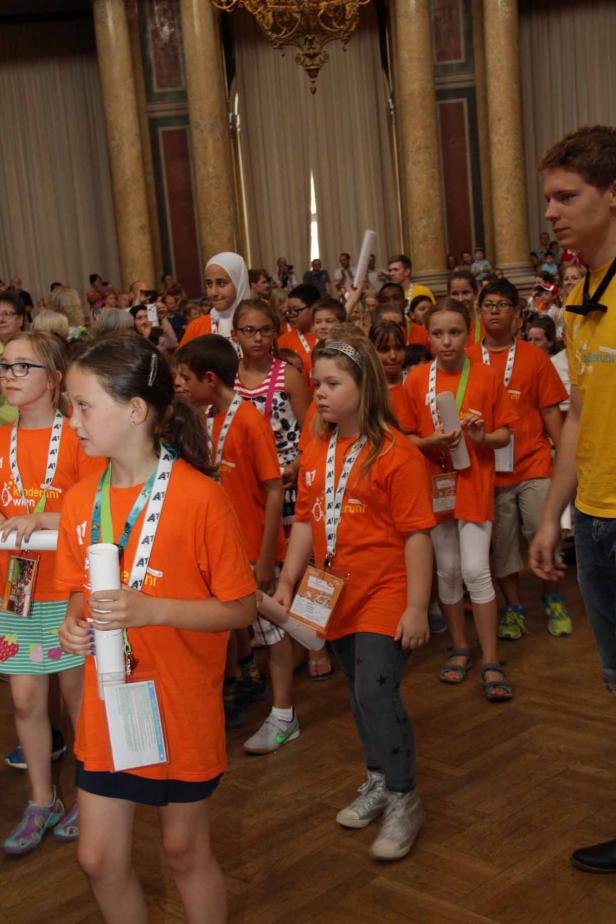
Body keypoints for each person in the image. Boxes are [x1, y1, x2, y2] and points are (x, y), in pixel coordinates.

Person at [55, 333, 256, 922]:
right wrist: (74, 625)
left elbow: (240, 609)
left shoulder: (200, 499)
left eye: (85, 405)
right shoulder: (78, 501)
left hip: (177, 707)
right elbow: (76, 595)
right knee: (96, 857)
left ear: (136, 409)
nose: (74, 421)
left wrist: (153, 609)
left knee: (183, 849)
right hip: (106, 706)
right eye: (70, 405)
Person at [274, 327, 435, 860]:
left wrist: (415, 606)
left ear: (364, 386)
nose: (318, 392)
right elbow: (304, 520)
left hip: (386, 591)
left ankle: (405, 797)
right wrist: (287, 580)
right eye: (316, 382)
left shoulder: (397, 454)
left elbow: (416, 535)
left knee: (375, 692)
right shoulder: (318, 446)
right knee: (358, 693)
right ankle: (379, 779)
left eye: (331, 383)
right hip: (333, 591)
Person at [528, 126, 616, 874]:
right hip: (596, 519)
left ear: (613, 194)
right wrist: (554, 515)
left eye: (567, 196)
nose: (551, 212)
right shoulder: (585, 298)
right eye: (548, 198)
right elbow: (580, 419)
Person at [0, 332, 104, 855]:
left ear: (54, 379)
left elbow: (100, 510)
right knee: (23, 699)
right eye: (5, 366)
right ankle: (42, 799)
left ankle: (90, 794)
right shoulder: (1, 439)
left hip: (68, 589)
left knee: (77, 697)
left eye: (24, 366)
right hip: (15, 591)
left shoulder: (78, 436)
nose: (11, 375)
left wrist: (47, 517)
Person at [404, 298, 517, 702]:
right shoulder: (416, 380)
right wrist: (431, 441)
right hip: (435, 487)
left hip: (473, 483)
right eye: (437, 333)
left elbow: (506, 433)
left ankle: (490, 658)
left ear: (468, 332)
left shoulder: (486, 377)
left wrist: (483, 437)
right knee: (448, 571)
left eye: (454, 332)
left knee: (475, 569)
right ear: (427, 336)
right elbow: (405, 440)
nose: (446, 341)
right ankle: (459, 647)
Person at [175, 335, 288, 731]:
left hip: (257, 546)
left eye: (186, 378)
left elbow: (274, 491)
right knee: (240, 624)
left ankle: (284, 712)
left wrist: (268, 554)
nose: (181, 385)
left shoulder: (250, 422)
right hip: (229, 546)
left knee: (272, 633)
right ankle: (249, 685)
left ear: (210, 379)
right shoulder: (210, 417)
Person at [467, 280, 570, 640]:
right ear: (478, 312)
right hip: (486, 470)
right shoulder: (466, 358)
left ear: (516, 313)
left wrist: (565, 463)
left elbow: (551, 413)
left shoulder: (534, 357)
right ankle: (513, 607)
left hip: (533, 463)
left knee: (545, 535)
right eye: (488, 304)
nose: (494, 311)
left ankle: (553, 597)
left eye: (502, 305)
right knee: (504, 545)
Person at [181, 252, 250, 344]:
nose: (213, 292)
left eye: (221, 283)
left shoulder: (258, 324)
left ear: (239, 283)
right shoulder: (197, 327)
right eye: (209, 284)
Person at [369, 320, 414, 432]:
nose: (393, 356)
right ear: (371, 351)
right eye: (384, 350)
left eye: (398, 348)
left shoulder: (415, 383)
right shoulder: (364, 389)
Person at [277, 284, 319, 381]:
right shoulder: (282, 342)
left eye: (296, 310)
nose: (291, 315)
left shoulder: (326, 336)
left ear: (314, 308)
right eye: (289, 311)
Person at [447, 270, 482, 344]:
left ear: (475, 293)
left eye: (465, 292)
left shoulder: (486, 326)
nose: (460, 299)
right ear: (448, 296)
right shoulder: (441, 327)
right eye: (455, 293)